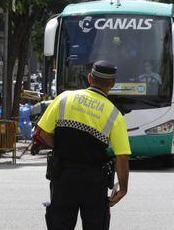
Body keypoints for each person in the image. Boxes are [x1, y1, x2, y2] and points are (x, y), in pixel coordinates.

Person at [36, 60, 131, 230]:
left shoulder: (64, 98)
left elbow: (42, 132)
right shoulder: (114, 115)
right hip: (94, 181)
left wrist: (62, 148)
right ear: (112, 84)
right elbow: (121, 156)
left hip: (63, 177)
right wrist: (123, 188)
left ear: (89, 78)